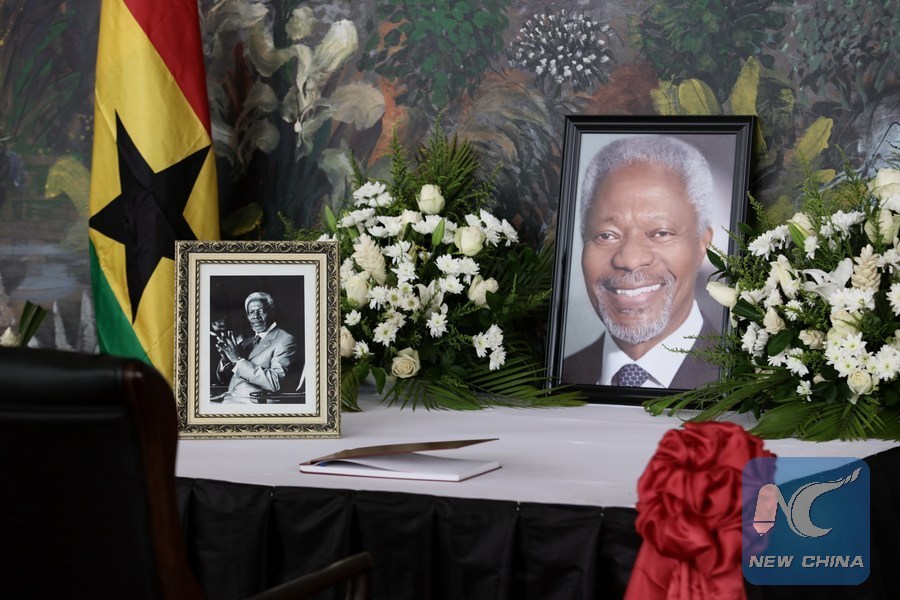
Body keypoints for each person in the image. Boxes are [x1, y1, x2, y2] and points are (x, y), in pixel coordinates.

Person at [563, 135, 720, 389]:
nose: (630, 259)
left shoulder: (744, 381)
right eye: (606, 235)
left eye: (661, 233)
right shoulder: (554, 380)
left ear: (703, 245)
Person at [212, 291, 302, 403]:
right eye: (251, 312)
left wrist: (237, 360)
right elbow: (225, 380)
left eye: (261, 311)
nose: (255, 316)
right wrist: (227, 360)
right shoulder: (246, 342)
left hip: (253, 404)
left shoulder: (286, 339)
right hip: (228, 399)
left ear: (272, 311)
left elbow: (276, 383)